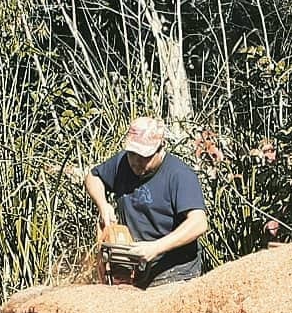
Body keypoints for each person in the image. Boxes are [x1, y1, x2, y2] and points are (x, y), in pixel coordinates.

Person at [85, 117, 208, 287]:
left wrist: (155, 248)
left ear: (161, 148)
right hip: (135, 266)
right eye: (132, 154)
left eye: (144, 157)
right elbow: (93, 177)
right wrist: (103, 205)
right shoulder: (122, 163)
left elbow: (199, 223)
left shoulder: (179, 175)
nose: (136, 162)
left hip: (175, 271)